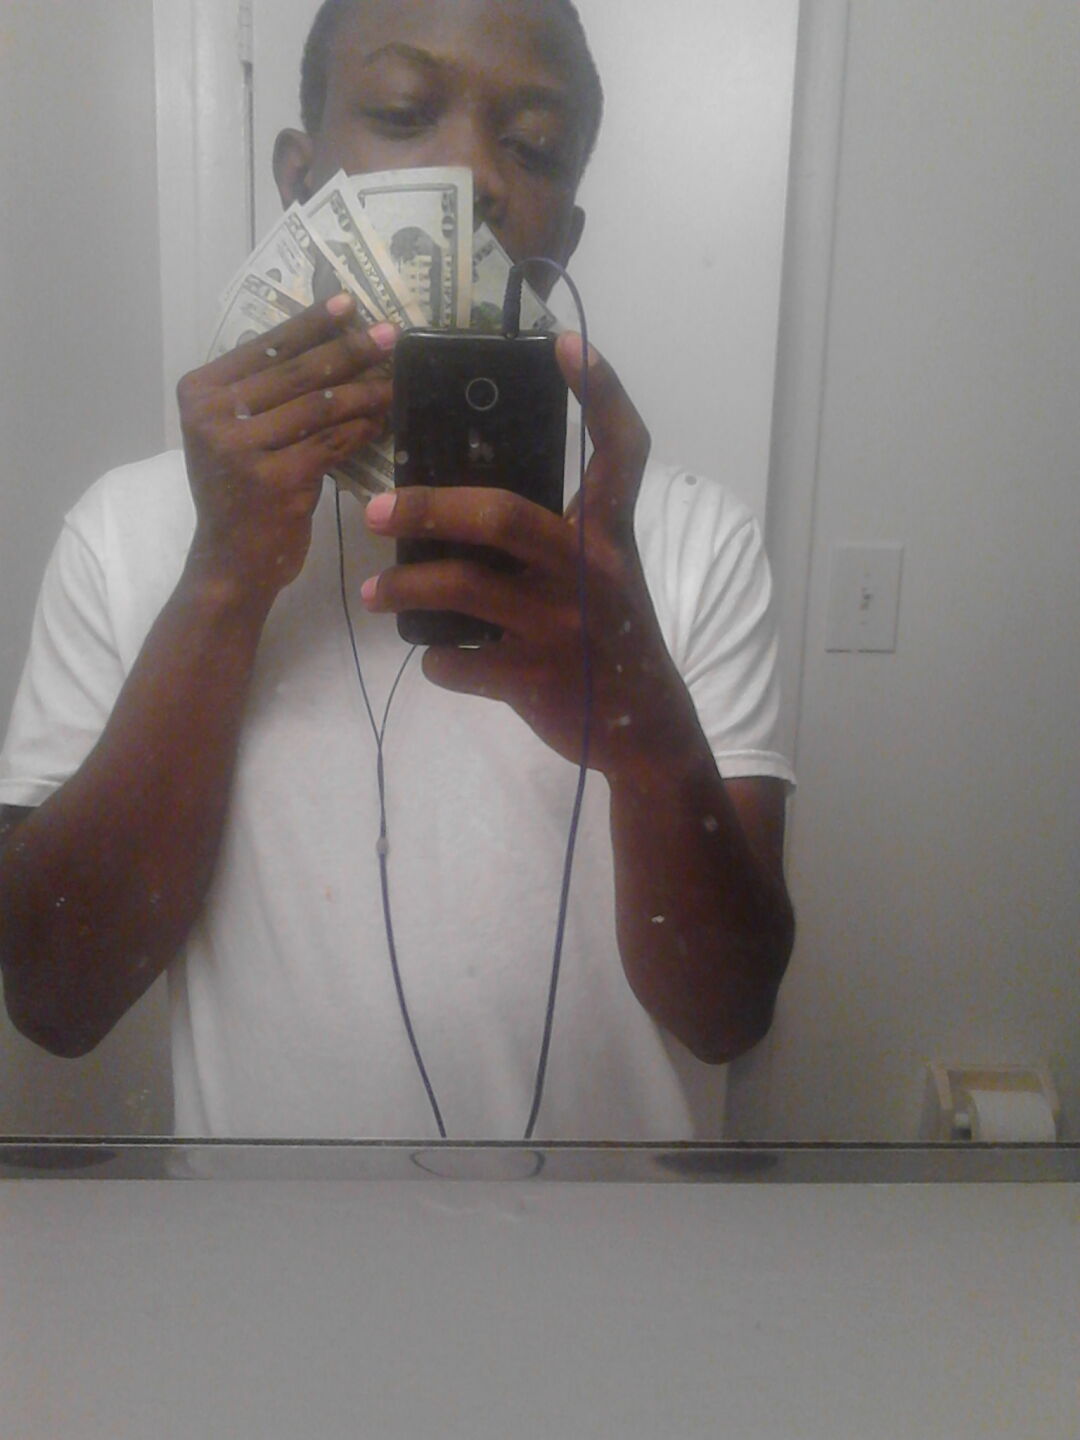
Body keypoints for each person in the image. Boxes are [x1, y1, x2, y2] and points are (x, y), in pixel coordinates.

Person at [0, 0, 795, 1139]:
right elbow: (54, 1002)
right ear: (300, 182)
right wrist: (222, 580)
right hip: (279, 1244)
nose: (471, 176)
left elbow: (729, 1015)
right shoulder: (125, 533)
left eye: (531, 145)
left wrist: (645, 727)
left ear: (563, 239)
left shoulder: (690, 542)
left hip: (618, 1243)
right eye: (403, 112)